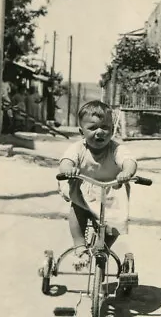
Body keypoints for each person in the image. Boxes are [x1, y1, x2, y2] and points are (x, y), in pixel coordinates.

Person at [58, 100, 137, 265]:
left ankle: (103, 249)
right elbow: (66, 161)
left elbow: (128, 160)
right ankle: (79, 246)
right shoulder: (78, 148)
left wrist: (126, 172)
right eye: (93, 128)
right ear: (82, 131)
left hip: (111, 192)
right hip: (83, 190)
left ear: (112, 130)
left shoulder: (116, 149)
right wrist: (69, 169)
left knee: (115, 222)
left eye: (105, 127)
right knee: (77, 212)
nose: (100, 132)